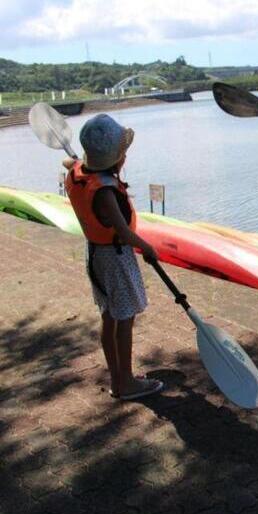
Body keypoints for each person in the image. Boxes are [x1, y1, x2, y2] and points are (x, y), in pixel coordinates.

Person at [62, 114, 163, 400]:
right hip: (115, 258)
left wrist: (83, 163)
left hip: (94, 254)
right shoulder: (105, 192)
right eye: (123, 152)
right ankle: (126, 382)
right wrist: (148, 248)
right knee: (125, 318)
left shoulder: (78, 172)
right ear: (117, 158)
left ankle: (118, 378)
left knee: (109, 316)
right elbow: (123, 231)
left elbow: (69, 163)